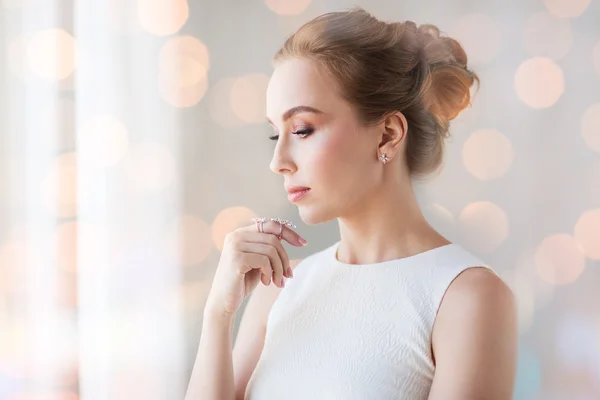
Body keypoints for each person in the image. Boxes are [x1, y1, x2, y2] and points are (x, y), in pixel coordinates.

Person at [186, 7, 517, 400]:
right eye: (277, 135)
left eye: (303, 130)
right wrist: (217, 316)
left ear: (387, 135)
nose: (278, 162)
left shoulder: (467, 297)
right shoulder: (280, 290)